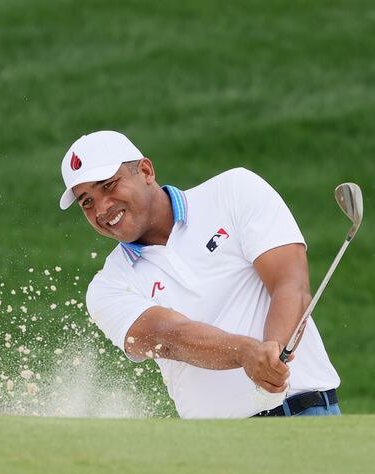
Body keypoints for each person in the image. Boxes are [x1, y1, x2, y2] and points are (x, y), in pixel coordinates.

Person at [58, 130, 341, 419]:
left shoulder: (235, 191)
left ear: (145, 171)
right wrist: (245, 353)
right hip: (213, 440)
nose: (102, 208)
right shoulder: (108, 287)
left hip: (306, 411)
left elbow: (291, 283)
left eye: (108, 185)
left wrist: (274, 349)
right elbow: (171, 338)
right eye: (87, 202)